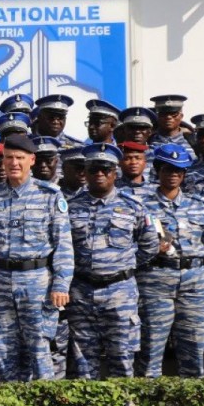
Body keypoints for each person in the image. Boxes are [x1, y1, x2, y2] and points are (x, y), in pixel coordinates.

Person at [0, 134, 73, 383]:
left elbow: (63, 244)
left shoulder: (50, 196)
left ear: (31, 160)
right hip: (0, 282)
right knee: (3, 350)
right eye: (9, 158)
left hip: (37, 282)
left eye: (20, 158)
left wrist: (61, 284)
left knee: (40, 350)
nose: (14, 163)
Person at [66, 144, 159, 378]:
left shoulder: (133, 206)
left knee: (122, 359)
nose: (99, 174)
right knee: (84, 363)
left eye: (105, 169)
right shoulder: (70, 207)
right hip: (81, 292)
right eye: (94, 169)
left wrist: (122, 266)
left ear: (114, 174)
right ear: (84, 173)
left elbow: (149, 246)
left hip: (119, 293)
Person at [135, 143, 204, 377]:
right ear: (158, 171)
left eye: (178, 171)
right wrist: (153, 250)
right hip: (155, 284)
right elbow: (130, 252)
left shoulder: (201, 206)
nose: (173, 175)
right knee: (151, 352)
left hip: (195, 285)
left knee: (195, 352)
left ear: (184, 174)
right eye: (168, 169)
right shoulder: (141, 207)